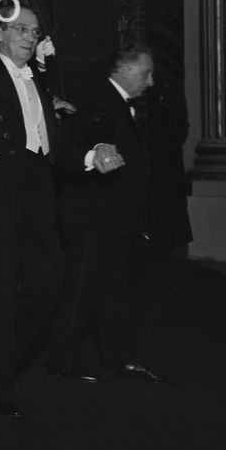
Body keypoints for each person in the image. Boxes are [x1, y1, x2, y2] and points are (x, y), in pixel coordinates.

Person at [0, 4, 122, 417]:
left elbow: (54, 145)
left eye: (34, 31)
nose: (30, 37)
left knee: (49, 283)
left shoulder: (38, 81)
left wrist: (90, 157)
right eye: (21, 29)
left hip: (39, 186)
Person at [47, 46, 163, 383]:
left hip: (114, 219)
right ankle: (61, 359)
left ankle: (115, 358)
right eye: (146, 74)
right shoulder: (101, 100)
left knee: (111, 289)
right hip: (92, 218)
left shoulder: (117, 101)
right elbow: (92, 131)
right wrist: (98, 148)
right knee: (81, 287)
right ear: (124, 70)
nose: (151, 82)